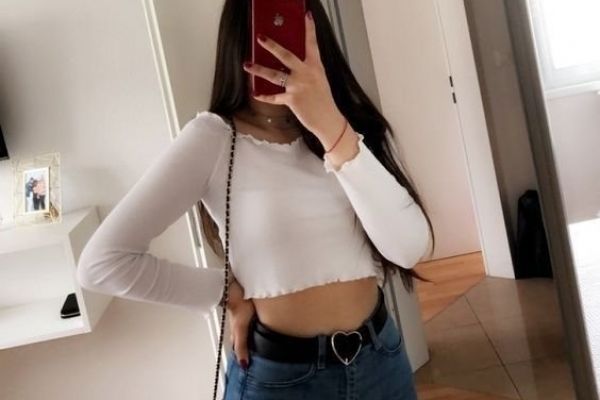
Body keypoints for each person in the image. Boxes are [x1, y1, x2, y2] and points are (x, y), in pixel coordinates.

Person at [76, 1, 435, 399]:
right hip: (280, 381)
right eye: (266, 28)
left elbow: (408, 249)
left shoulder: (351, 128)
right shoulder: (214, 139)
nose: (278, 47)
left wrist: (332, 129)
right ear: (241, 38)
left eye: (288, 28)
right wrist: (226, 292)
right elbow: (102, 263)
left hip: (380, 362)